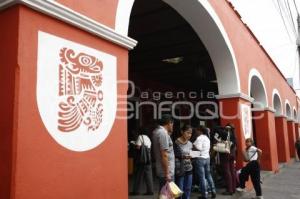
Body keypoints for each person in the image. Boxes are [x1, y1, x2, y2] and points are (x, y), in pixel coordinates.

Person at [152, 114, 175, 194]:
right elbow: (164, 154)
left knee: (163, 194)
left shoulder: (157, 131)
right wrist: (167, 173)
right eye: (172, 123)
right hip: (166, 171)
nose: (172, 125)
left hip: (162, 169)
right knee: (167, 194)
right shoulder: (163, 133)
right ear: (169, 123)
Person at [193, 125, 217, 199]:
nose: (196, 132)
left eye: (197, 130)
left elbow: (199, 148)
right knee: (208, 175)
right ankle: (213, 191)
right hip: (207, 158)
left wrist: (193, 146)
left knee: (202, 177)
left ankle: (204, 195)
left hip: (200, 159)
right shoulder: (207, 138)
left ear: (200, 130)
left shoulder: (199, 138)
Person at [214, 125, 237, 195]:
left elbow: (219, 140)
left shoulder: (225, 134)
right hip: (232, 154)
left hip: (226, 155)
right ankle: (233, 188)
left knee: (227, 172)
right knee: (232, 171)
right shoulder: (234, 135)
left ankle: (229, 190)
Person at [130, 127, 154, 195]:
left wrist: (133, 143)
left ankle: (136, 191)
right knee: (149, 175)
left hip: (142, 159)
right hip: (148, 159)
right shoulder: (148, 138)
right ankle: (150, 191)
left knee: (138, 176)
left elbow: (138, 147)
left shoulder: (140, 137)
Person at [174, 124, 193, 199]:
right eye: (187, 132)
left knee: (188, 188)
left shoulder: (190, 143)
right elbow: (174, 155)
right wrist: (184, 156)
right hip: (180, 169)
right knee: (179, 189)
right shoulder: (176, 142)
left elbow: (191, 154)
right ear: (182, 132)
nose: (189, 135)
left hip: (189, 168)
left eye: (191, 133)